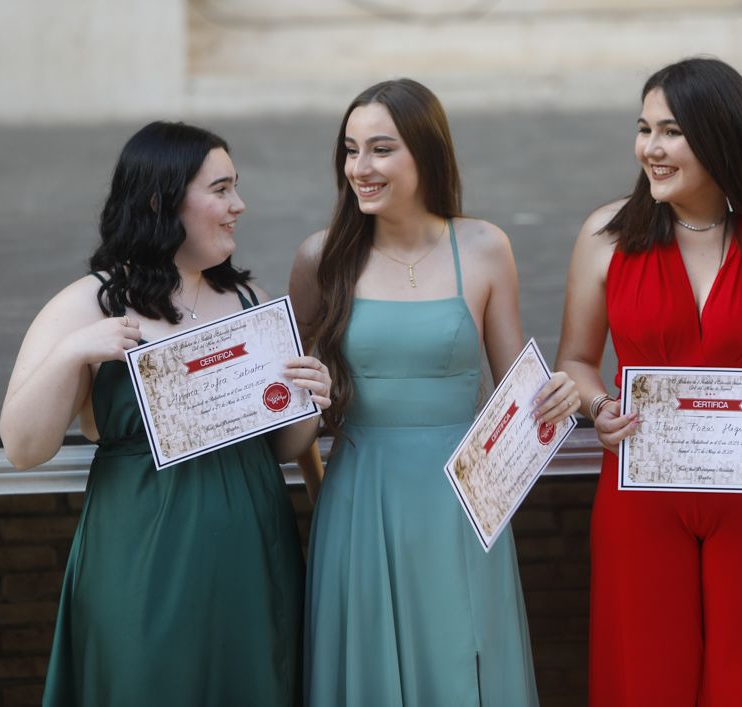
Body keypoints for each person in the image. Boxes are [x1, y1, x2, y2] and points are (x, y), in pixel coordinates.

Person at [555, 58, 742, 706]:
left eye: (671, 131)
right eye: (644, 129)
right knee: (644, 673)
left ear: (720, 136)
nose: (651, 148)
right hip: (644, 484)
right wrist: (600, 405)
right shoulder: (605, 236)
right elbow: (576, 362)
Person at [0, 121, 331, 706]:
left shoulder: (247, 301)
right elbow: (24, 448)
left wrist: (310, 400)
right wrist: (74, 352)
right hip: (142, 557)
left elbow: (277, 447)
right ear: (161, 200)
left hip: (253, 557)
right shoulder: (89, 303)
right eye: (222, 189)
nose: (239, 205)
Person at [290, 78, 576, 706]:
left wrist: (557, 399)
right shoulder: (321, 258)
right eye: (350, 149)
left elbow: (515, 397)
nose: (360, 168)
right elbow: (295, 417)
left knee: (463, 666)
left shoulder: (484, 247)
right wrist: (319, 487)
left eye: (381, 149)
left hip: (464, 504)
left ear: (426, 152)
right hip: (359, 501)